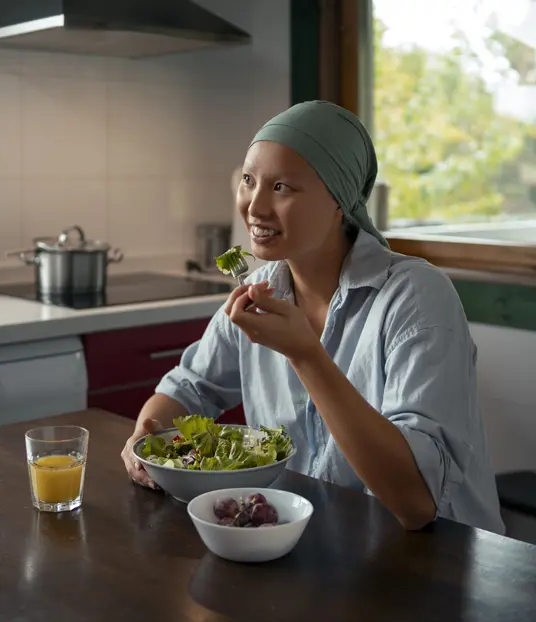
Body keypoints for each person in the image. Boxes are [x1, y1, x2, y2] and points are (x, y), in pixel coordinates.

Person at [121, 100, 504, 534]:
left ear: (340, 201)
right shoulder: (264, 289)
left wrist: (305, 354)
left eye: (282, 187)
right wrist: (144, 438)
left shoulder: (415, 298)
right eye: (249, 180)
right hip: (319, 547)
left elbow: (416, 502)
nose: (254, 207)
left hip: (441, 563)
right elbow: (188, 387)